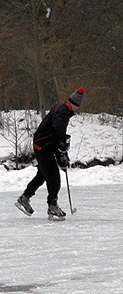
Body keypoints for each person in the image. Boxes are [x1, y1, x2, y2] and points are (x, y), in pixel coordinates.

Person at [15, 88, 85, 220]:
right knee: (53, 177)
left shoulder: (61, 108)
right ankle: (52, 205)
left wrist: (62, 155)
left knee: (43, 174)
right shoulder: (63, 111)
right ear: (77, 104)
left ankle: (24, 198)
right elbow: (58, 129)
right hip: (43, 146)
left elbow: (57, 136)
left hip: (44, 144)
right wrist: (63, 145)